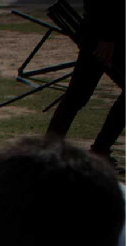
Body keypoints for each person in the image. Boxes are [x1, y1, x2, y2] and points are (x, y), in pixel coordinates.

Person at [45, 0, 123, 170]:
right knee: (77, 95)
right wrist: (106, 36)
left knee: (76, 96)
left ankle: (49, 150)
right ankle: (49, 151)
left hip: (107, 33)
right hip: (104, 35)